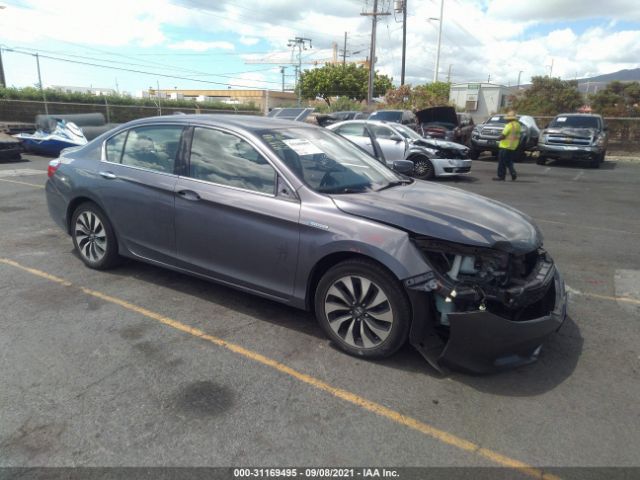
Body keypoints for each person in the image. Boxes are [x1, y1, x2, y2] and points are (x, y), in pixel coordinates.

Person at [493, 110, 521, 181]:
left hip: (505, 146)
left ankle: (501, 176)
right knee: (508, 161)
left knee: (502, 162)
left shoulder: (509, 125)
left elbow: (503, 136)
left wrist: (497, 138)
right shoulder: (518, 125)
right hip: (513, 146)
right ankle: (513, 172)